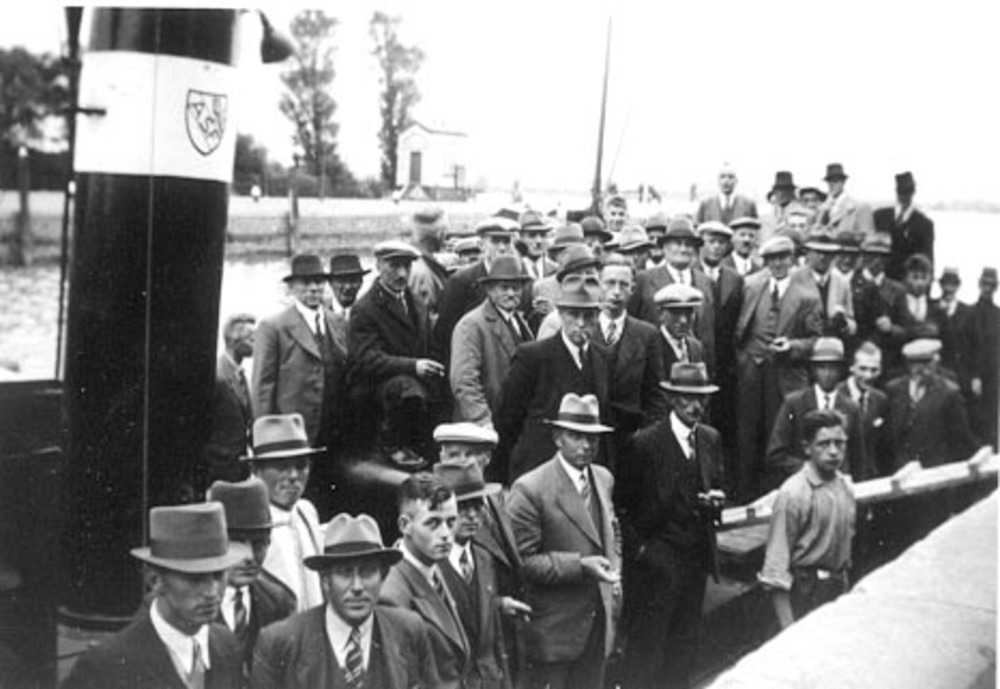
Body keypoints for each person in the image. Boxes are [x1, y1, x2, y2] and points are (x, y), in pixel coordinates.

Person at [616, 362, 725, 689]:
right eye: (687, 398)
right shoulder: (645, 443)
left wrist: (715, 502)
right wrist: (643, 551)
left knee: (683, 649)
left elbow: (716, 484)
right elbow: (622, 506)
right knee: (646, 651)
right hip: (656, 564)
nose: (695, 406)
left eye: (701, 398)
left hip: (695, 560)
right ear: (672, 399)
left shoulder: (709, 439)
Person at [63, 503, 246, 689]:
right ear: (155, 580)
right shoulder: (106, 666)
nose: (212, 592)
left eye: (218, 575)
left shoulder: (226, 645)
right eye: (195, 579)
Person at [507, 393, 621, 689]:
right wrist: (580, 566)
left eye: (592, 438)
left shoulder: (603, 478)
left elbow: (612, 532)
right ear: (557, 438)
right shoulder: (531, 488)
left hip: (597, 624)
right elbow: (522, 561)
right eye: (576, 436)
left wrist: (615, 578)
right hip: (554, 633)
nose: (586, 445)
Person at [251, 513, 438, 689]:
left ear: (383, 576)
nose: (357, 586)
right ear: (325, 580)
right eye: (345, 573)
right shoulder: (279, 643)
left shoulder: (408, 630)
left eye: (367, 572)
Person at [433, 422, 528, 685]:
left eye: (470, 455)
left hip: (498, 649)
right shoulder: (430, 529)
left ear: (486, 458)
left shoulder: (496, 499)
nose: (461, 464)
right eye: (453, 455)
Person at [496, 276, 611, 483]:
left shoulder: (604, 358)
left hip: (587, 472)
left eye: (588, 316)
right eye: (573, 315)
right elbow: (507, 420)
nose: (581, 323)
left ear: (598, 316)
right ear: (560, 314)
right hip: (538, 472)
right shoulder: (533, 356)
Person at [734, 236, 823, 500]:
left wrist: (793, 346)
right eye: (772, 259)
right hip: (752, 371)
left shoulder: (807, 295)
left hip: (784, 375)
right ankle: (745, 495)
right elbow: (739, 329)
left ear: (792, 259)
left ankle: (778, 495)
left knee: (778, 436)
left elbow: (816, 340)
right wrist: (744, 358)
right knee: (747, 434)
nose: (778, 264)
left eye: (783, 258)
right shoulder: (751, 285)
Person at [349, 240, 445, 466]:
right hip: (380, 390)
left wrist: (435, 366)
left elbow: (429, 346)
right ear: (378, 265)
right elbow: (367, 360)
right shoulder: (365, 308)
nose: (402, 274)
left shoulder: (416, 302)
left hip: (412, 386)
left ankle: (432, 448)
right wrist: (413, 366)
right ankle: (394, 445)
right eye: (394, 266)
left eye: (406, 266)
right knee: (408, 388)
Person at [758, 410, 856, 628]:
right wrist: (788, 630)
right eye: (824, 444)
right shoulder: (794, 493)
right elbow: (775, 568)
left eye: (839, 443)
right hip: (805, 593)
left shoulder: (845, 487)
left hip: (836, 590)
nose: (833, 451)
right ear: (807, 448)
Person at [380, 474, 471, 689]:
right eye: (433, 523)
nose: (446, 534)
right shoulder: (392, 594)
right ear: (405, 525)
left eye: (451, 522)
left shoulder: (434, 567)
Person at [252, 255, 342, 448]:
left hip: (335, 427)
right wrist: (264, 437)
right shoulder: (273, 327)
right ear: (292, 287)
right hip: (294, 430)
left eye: (318, 281)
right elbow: (263, 387)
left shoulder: (338, 322)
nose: (313, 288)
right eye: (306, 282)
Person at [207, 477, 295, 672]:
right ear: (214, 542)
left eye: (259, 543)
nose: (250, 557)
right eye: (237, 542)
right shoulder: (186, 601)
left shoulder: (280, 602)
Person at [245, 414, 325, 613]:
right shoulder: (248, 522)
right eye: (281, 466)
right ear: (255, 469)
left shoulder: (306, 512)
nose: (293, 476)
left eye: (301, 465)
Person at [765, 338, 864, 484]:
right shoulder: (794, 404)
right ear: (813, 370)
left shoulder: (851, 408)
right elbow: (776, 454)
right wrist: (813, 471)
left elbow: (858, 460)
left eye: (833, 368)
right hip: (803, 484)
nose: (828, 374)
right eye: (822, 367)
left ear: (841, 371)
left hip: (838, 486)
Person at [450, 255, 534, 428]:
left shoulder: (520, 322)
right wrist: (482, 421)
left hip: (514, 423)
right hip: (486, 424)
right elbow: (464, 381)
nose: (511, 293)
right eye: (504, 288)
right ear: (489, 290)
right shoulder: (471, 325)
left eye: (516, 288)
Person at [597, 255, 667, 456]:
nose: (616, 292)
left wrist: (646, 434)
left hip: (630, 440)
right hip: (589, 437)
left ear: (632, 290)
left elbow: (656, 393)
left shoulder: (646, 334)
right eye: (610, 283)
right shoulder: (585, 329)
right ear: (599, 285)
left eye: (623, 285)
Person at [630, 217, 717, 370]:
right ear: (664, 247)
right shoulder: (645, 279)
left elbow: (711, 332)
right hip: (656, 366)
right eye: (677, 243)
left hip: (698, 367)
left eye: (688, 244)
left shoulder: (707, 282)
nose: (683, 249)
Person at [884, 338, 978, 469]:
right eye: (915, 363)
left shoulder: (949, 392)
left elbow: (961, 437)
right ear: (908, 364)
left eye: (927, 363)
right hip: (901, 467)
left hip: (935, 467)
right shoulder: (893, 389)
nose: (921, 369)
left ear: (936, 362)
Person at [436, 216, 522, 357]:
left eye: (506, 242)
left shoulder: (519, 278)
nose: (502, 248)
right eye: (495, 241)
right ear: (481, 245)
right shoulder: (463, 281)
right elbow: (445, 333)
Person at [204, 313, 255, 486]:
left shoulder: (240, 375)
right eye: (251, 339)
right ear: (234, 340)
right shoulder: (217, 376)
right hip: (218, 470)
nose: (256, 343)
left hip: (238, 468)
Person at [790, 232, 856, 340]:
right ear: (808, 253)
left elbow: (851, 319)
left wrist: (844, 324)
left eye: (828, 253)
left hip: (832, 343)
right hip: (802, 342)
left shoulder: (841, 281)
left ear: (834, 255)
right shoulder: (794, 278)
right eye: (818, 252)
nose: (823, 257)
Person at [875, 171, 935, 281]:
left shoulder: (924, 225)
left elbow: (928, 263)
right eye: (901, 192)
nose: (905, 196)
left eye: (908, 191)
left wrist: (923, 289)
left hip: (907, 284)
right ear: (896, 191)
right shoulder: (880, 217)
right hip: (879, 283)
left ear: (913, 192)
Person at [968, 267, 999, 448]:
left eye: (992, 285)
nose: (988, 288)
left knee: (992, 421)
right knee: (975, 418)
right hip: (974, 376)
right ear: (979, 284)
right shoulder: (970, 312)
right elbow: (969, 347)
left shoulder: (998, 314)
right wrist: (975, 375)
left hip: (994, 377)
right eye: (985, 284)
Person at [408, 206, 452, 328]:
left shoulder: (417, 263)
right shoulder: (421, 272)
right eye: (445, 231)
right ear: (440, 234)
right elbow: (421, 321)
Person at [655, 283, 706, 373]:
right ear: (660, 314)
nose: (683, 320)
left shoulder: (696, 347)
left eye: (688, 313)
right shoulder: (652, 346)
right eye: (676, 313)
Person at [817, 163, 874, 239]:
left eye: (836, 181)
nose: (832, 185)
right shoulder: (822, 208)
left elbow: (868, 236)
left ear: (843, 182)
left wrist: (839, 235)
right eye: (829, 181)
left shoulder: (860, 207)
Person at [519, 210, 557, 280]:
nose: (539, 241)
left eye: (543, 235)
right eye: (532, 235)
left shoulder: (555, 269)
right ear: (521, 238)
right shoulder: (514, 269)